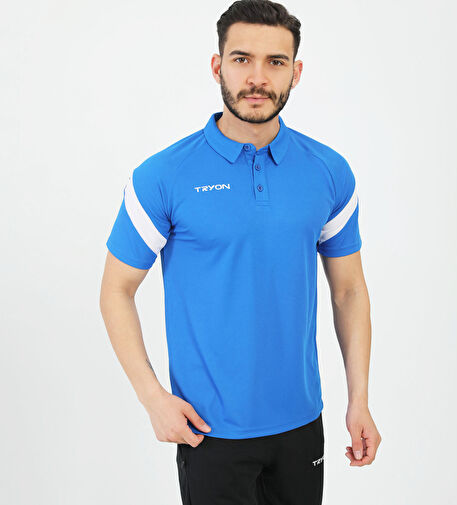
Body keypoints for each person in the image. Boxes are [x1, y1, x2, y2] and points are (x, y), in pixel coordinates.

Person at [99, 0, 381, 503]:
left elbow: (349, 292)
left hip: (301, 424)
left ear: (295, 73)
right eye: (242, 59)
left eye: (275, 62)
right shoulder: (163, 176)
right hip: (208, 430)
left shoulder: (328, 171)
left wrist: (359, 400)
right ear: (217, 66)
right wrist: (153, 399)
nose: (257, 78)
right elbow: (116, 290)